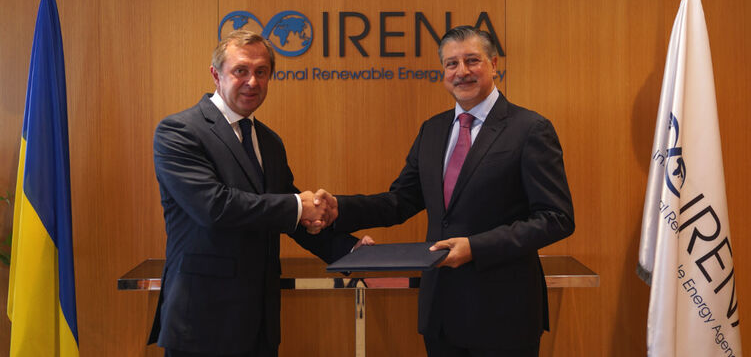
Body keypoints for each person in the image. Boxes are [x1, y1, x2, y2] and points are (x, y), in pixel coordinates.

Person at [331, 26, 575, 356]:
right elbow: (400, 201)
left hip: (504, 314)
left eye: (472, 60)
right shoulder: (432, 130)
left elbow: (556, 218)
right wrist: (338, 209)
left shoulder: (530, 129)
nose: (461, 71)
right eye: (451, 64)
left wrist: (476, 247)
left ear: (493, 64)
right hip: (441, 313)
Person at [148, 30, 371, 357]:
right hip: (203, 320)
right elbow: (214, 207)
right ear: (216, 75)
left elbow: (288, 214)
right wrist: (299, 206)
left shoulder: (269, 141)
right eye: (241, 70)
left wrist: (348, 250)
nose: (252, 81)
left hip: (259, 321)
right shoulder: (180, 131)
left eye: (261, 72)